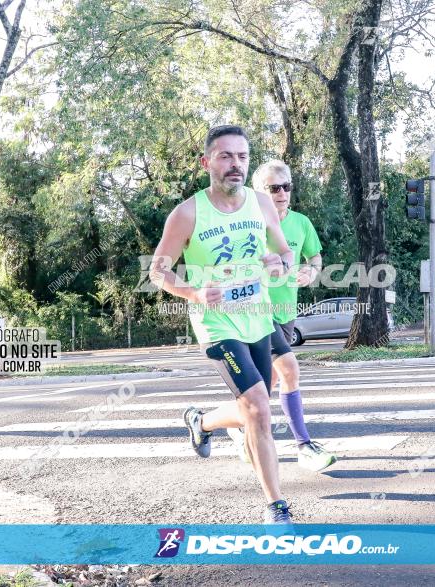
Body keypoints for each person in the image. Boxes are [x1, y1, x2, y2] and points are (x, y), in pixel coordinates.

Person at [149, 125, 296, 523]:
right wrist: (195, 293)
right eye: (226, 156)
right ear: (207, 162)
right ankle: (277, 507)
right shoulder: (187, 213)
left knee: (253, 412)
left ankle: (201, 421)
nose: (236, 165)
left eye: (243, 157)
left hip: (258, 319)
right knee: (260, 410)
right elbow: (159, 272)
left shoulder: (262, 204)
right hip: (217, 325)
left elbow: (285, 254)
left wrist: (278, 262)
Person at [224, 160, 335, 472]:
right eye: (274, 188)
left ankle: (233, 427)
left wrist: (311, 272)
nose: (282, 192)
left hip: (286, 313)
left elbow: (315, 257)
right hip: (255, 311)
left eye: (286, 186)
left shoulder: (301, 223)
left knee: (265, 386)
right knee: (289, 370)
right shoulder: (245, 223)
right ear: (259, 192)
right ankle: (304, 445)